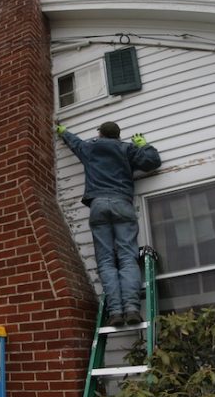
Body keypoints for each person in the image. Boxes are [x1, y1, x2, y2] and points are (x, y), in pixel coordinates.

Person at [57, 121, 161, 326]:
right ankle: (131, 309)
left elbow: (74, 143)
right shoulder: (127, 148)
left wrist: (62, 131)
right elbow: (152, 161)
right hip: (122, 203)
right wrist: (143, 144)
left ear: (100, 133)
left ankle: (115, 313)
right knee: (127, 258)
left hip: (98, 206)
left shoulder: (90, 147)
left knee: (105, 261)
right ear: (118, 135)